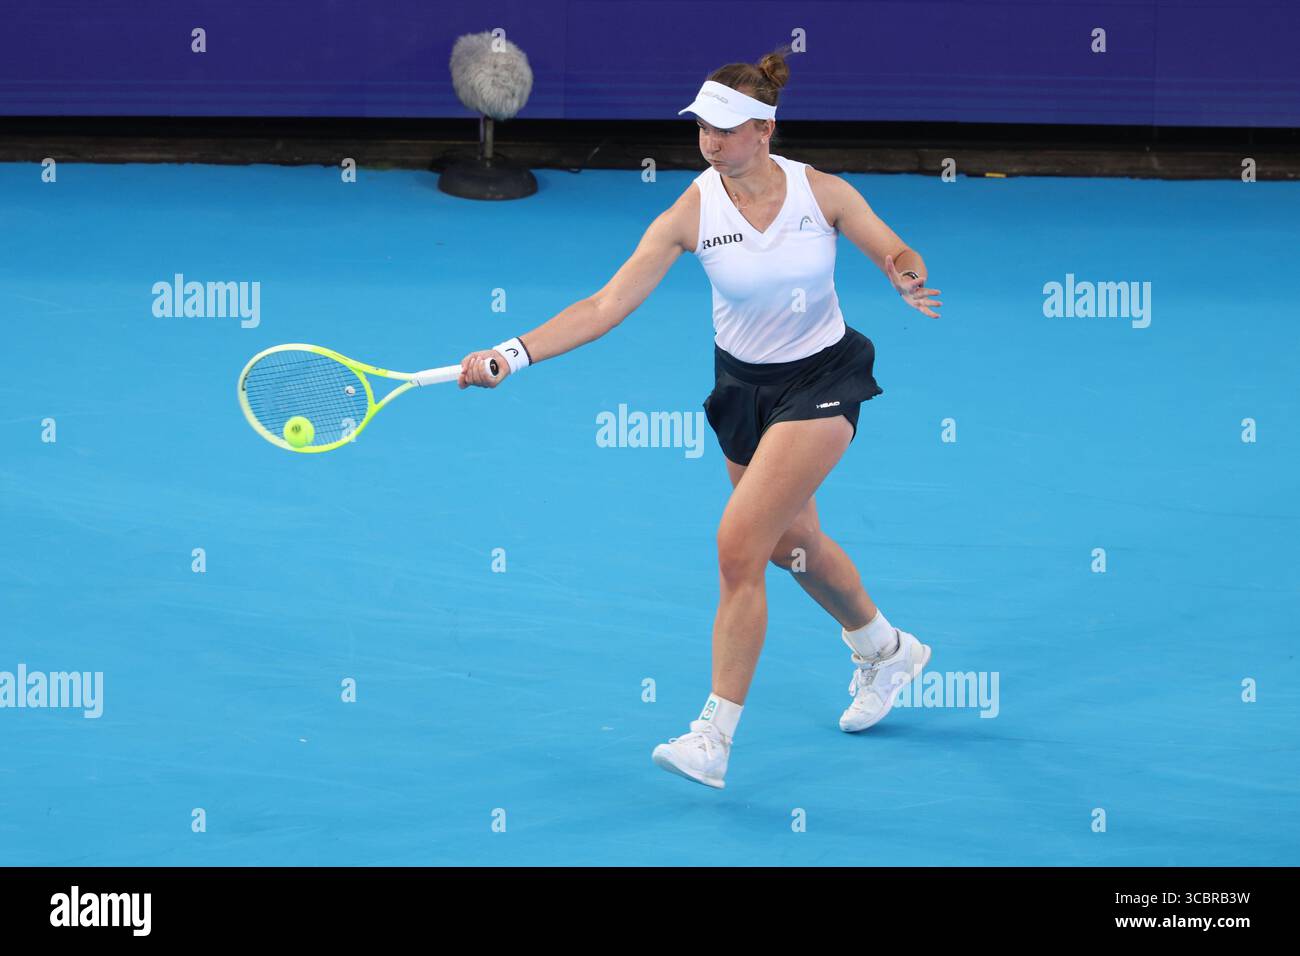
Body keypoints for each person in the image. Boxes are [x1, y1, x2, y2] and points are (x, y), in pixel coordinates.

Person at [457, 48, 942, 789]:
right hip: (743, 391)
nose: (710, 141)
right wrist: (512, 353)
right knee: (793, 544)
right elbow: (606, 304)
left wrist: (906, 275)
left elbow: (891, 247)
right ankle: (885, 648)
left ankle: (713, 738)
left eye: (725, 128)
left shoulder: (823, 193)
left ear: (764, 128)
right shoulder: (692, 209)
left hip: (824, 379)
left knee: (738, 545)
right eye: (702, 128)